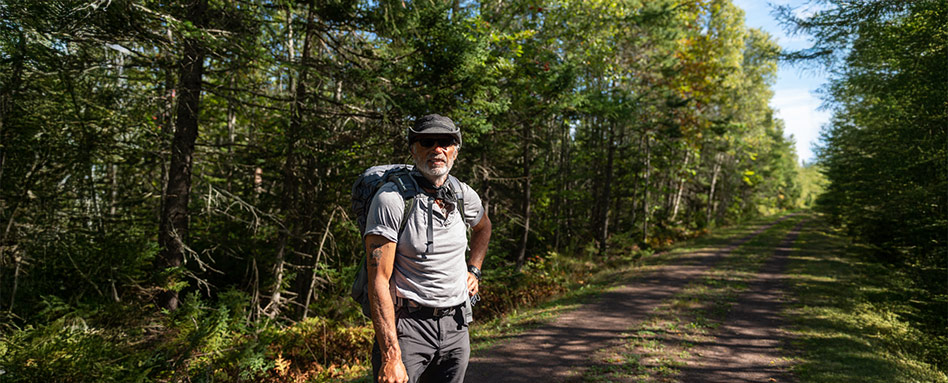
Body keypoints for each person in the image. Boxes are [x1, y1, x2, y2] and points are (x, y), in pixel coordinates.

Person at [364, 114, 492, 383]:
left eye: (445, 142)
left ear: (455, 150)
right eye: (427, 142)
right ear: (413, 149)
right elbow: (379, 281)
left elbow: (483, 228)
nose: (437, 149)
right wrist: (390, 356)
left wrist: (475, 270)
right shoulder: (391, 199)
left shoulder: (461, 193)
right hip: (408, 327)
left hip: (456, 324)